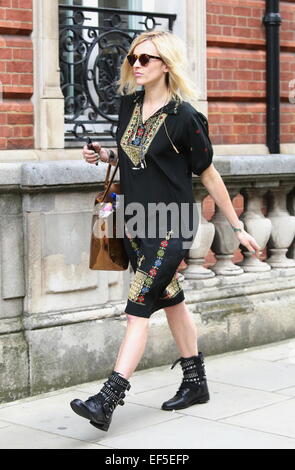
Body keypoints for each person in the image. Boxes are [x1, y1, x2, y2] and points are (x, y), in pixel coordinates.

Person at [70, 30, 260, 432]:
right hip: (135, 224)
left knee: (137, 310)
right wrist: (102, 155)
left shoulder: (185, 118)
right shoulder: (129, 106)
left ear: (166, 65)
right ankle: (196, 381)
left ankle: (107, 399)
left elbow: (209, 175)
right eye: (133, 59)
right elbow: (132, 159)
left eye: (145, 59)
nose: (136, 65)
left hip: (169, 227)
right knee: (172, 301)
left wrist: (238, 226)